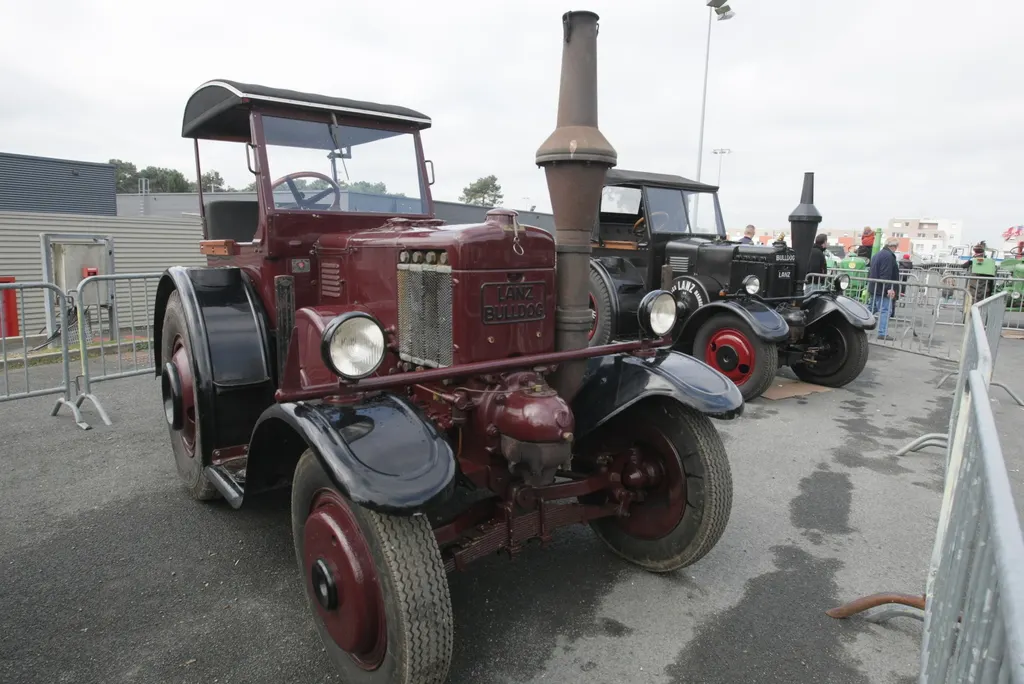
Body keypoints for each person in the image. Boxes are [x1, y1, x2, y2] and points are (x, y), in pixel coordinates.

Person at [867, 236, 900, 340]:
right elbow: (885, 273)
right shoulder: (888, 256)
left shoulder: (877, 255)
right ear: (894, 246)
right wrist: (889, 288)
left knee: (870, 309)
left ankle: (855, 324)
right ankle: (882, 332)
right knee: (885, 310)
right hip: (882, 289)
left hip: (875, 287)